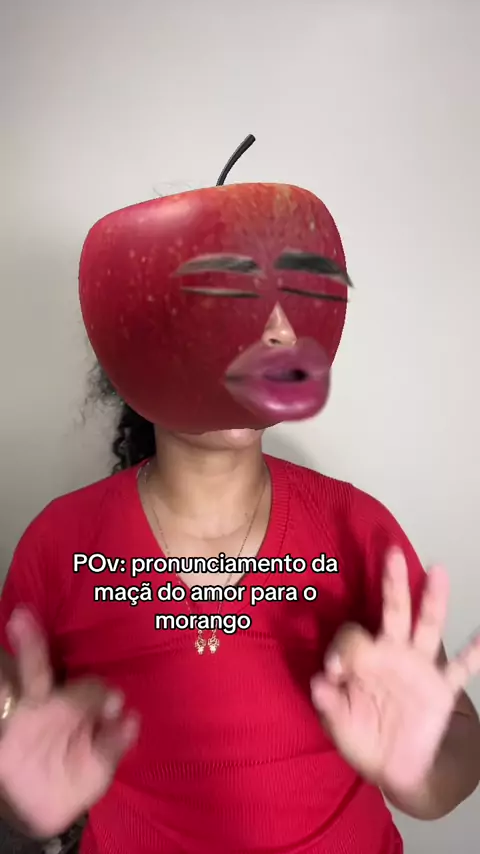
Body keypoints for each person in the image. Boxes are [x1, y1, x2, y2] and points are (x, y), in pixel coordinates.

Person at [0, 141, 479, 853]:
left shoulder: (356, 528)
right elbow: (18, 757)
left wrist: (425, 768)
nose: (267, 335)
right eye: (217, 306)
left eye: (280, 308)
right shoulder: (59, 547)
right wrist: (21, 806)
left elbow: (454, 759)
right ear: (134, 343)